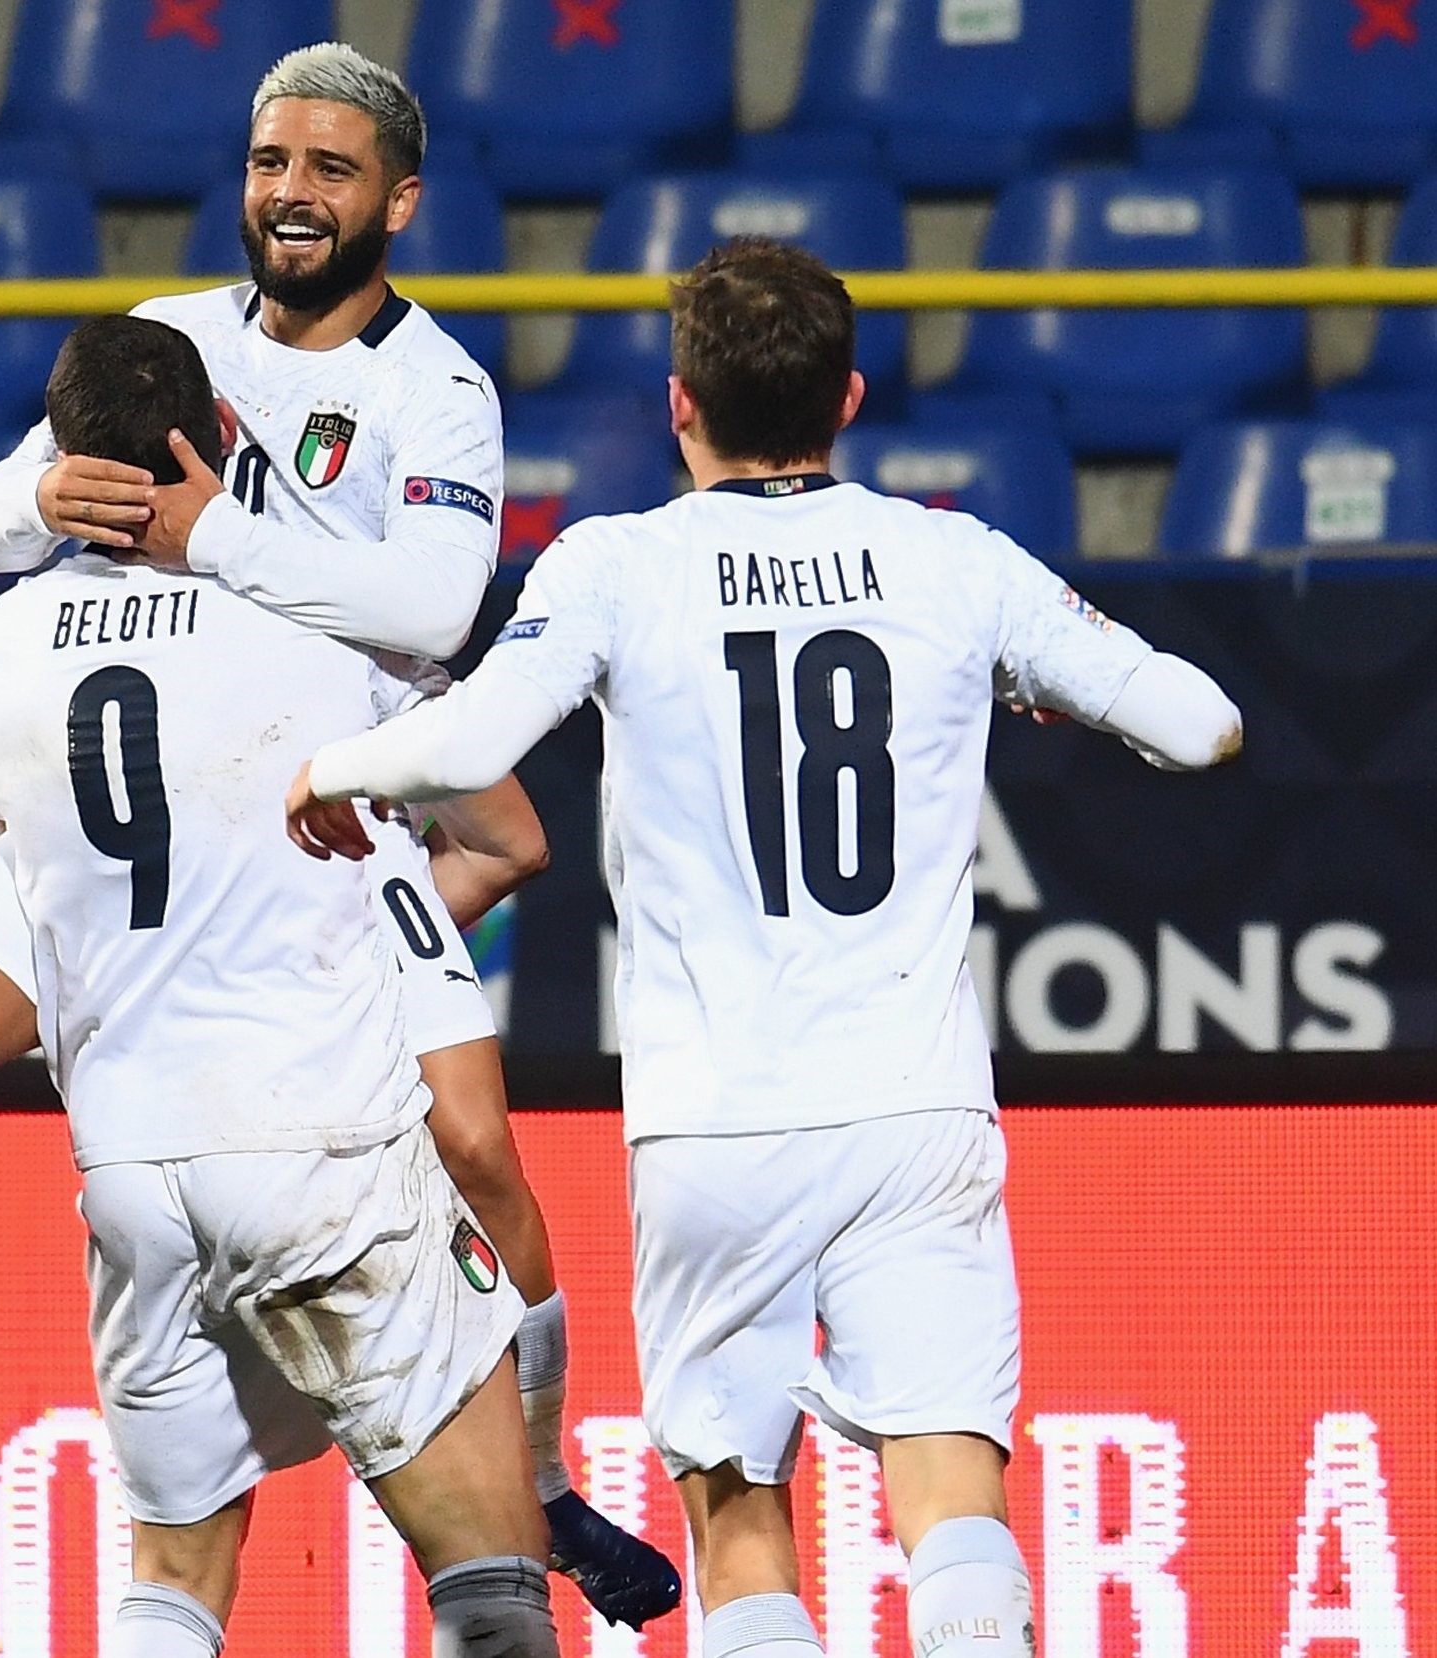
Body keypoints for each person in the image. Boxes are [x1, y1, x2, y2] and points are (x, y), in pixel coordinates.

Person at [0, 40, 681, 1628]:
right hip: (145, 765)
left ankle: (547, 1470)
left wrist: (207, 533)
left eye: (328, 171)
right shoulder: (162, 340)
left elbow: (440, 607)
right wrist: (64, 504)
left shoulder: (430, 386)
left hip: (330, 793)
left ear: (398, 200)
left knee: (477, 1147)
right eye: (270, 164)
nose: (290, 195)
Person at [284, 238, 1245, 1658]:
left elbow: (471, 740)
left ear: (680, 406)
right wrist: (1040, 684)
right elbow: (1199, 721)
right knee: (948, 1483)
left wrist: (327, 768)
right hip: (910, 1108)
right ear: (847, 397)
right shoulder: (948, 558)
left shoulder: (618, 564)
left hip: (710, 1122)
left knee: (739, 1510)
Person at [22, 314, 568, 1654]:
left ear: (61, 463)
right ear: (215, 443)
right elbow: (507, 829)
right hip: (307, 1145)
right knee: (492, 1572)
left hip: (131, 1172)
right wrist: (376, 923)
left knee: (172, 1569)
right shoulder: (324, 642)